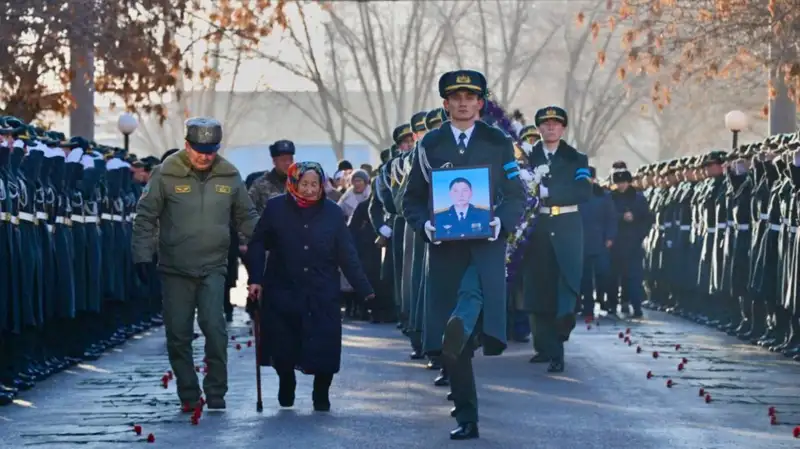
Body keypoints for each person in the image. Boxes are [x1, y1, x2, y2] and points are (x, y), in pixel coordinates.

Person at [402, 69, 525, 440]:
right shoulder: (431, 144)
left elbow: (516, 196)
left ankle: (461, 326)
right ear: (446, 103)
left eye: (470, 97)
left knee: (467, 306)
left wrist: (499, 224)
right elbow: (412, 199)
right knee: (454, 347)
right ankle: (466, 415)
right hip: (444, 252)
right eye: (456, 97)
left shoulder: (497, 142)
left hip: (484, 248)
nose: (463, 103)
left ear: (480, 103)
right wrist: (425, 225)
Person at [131, 117, 260, 412]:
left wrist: (271, 242)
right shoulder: (165, 174)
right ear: (187, 145)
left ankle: (216, 390)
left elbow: (247, 217)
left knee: (215, 328)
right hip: (175, 268)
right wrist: (142, 255)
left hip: (213, 266)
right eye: (200, 150)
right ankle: (189, 393)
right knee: (178, 334)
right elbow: (146, 217)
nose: (206, 156)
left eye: (211, 150)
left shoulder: (229, 175)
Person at [245, 162, 374, 412]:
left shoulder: (332, 212)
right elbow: (258, 244)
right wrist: (255, 279)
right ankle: (286, 381)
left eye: (315, 184)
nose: (309, 190)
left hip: (321, 288)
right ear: (293, 183)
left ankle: (321, 392)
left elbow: (347, 253)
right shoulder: (276, 208)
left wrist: (365, 288)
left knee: (324, 342)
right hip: (283, 286)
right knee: (284, 343)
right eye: (304, 184)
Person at [520, 106, 591, 372]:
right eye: (545, 124)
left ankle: (559, 342)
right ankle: (543, 345)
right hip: (537, 226)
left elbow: (583, 191)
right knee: (538, 285)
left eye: (555, 123)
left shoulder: (576, 158)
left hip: (567, 225)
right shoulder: (528, 157)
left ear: (563, 128)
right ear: (538, 128)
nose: (550, 128)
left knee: (566, 283)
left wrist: (550, 192)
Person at [248, 139, 295, 215]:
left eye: (290, 159)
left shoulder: (298, 183)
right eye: (283, 160)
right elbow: (247, 212)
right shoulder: (260, 184)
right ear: (274, 161)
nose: (288, 163)